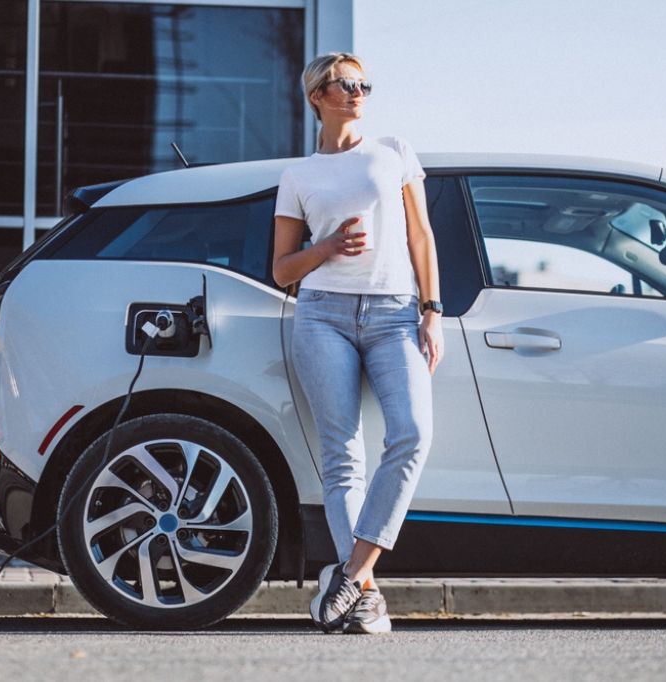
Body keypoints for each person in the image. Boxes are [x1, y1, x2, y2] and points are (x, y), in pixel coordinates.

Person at [272, 52, 444, 635]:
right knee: (343, 459)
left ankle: (349, 576)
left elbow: (421, 234)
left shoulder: (393, 150)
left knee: (413, 433)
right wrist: (327, 248)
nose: (358, 91)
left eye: (364, 83)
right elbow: (281, 270)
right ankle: (367, 597)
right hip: (321, 315)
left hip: (396, 314)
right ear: (317, 95)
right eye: (345, 84)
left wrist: (431, 308)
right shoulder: (299, 175)